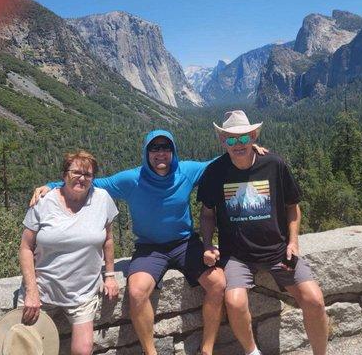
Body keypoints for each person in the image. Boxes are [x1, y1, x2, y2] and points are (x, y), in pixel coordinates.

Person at [31, 130, 247, 355]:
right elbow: (92, 183)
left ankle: (207, 349)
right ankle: (150, 351)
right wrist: (52, 185)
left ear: (173, 152)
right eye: (155, 148)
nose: (161, 153)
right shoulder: (131, 179)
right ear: (146, 153)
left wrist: (251, 151)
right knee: (136, 292)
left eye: (166, 148)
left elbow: (219, 163)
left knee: (218, 283)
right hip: (149, 248)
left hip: (185, 243)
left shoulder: (187, 171)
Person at [197, 110, 329, 355]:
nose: (238, 144)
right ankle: (252, 352)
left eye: (244, 138)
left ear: (254, 136)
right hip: (237, 255)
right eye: (232, 139)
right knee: (234, 302)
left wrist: (293, 242)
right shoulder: (215, 172)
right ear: (222, 141)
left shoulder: (274, 164)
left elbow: (292, 207)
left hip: (278, 251)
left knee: (314, 300)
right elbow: (207, 214)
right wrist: (207, 243)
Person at [19, 150, 119, 355]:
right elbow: (26, 248)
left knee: (83, 351)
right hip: (42, 290)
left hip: (82, 293)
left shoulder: (102, 199)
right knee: (26, 349)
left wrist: (109, 275)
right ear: (64, 174)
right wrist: (31, 291)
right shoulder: (43, 202)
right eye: (76, 172)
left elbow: (108, 239)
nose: (81, 178)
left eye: (88, 175)